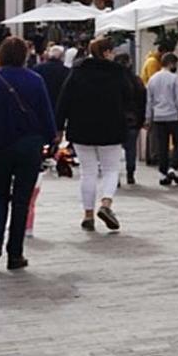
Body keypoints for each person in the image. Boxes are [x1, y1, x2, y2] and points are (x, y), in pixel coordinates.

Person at [0, 37, 57, 270]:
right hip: (29, 147)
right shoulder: (35, 80)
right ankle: (15, 253)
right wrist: (51, 143)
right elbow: (47, 116)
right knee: (21, 201)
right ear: (24, 56)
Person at [56, 37, 132, 232]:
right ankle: (106, 205)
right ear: (106, 52)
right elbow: (130, 97)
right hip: (111, 128)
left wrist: (59, 127)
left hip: (82, 129)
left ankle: (88, 215)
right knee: (110, 170)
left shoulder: (78, 71)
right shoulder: (118, 72)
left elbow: (64, 99)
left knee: (87, 173)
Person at [146, 53, 178, 187]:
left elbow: (149, 101)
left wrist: (148, 117)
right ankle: (173, 168)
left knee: (162, 146)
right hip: (173, 116)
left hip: (158, 117)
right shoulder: (175, 78)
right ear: (172, 63)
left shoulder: (152, 79)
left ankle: (164, 172)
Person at [115, 53, 147, 185]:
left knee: (114, 150)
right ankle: (130, 174)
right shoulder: (136, 80)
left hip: (115, 120)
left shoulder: (112, 81)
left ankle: (115, 176)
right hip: (132, 120)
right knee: (131, 148)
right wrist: (142, 118)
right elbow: (143, 101)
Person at [32, 45, 70, 113]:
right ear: (62, 57)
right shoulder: (67, 71)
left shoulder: (37, 68)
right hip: (59, 105)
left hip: (41, 104)